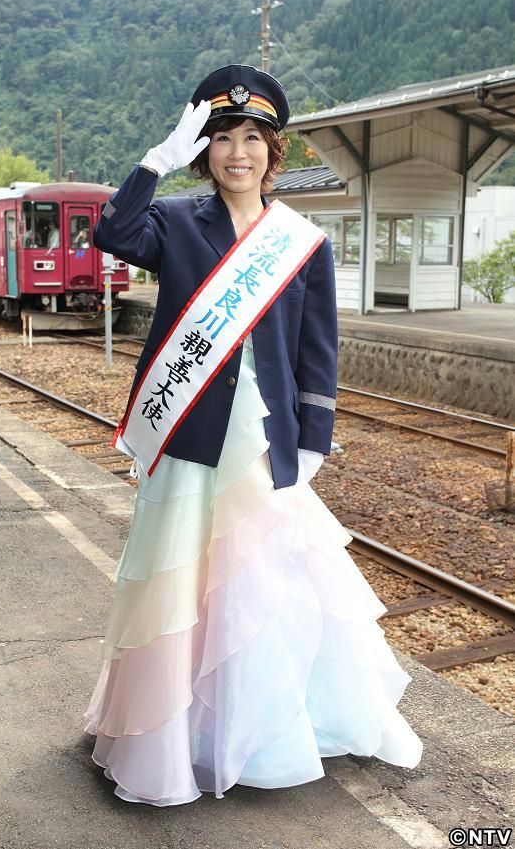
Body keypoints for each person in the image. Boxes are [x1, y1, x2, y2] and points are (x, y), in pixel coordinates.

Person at [85, 64, 423, 807]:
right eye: (222, 139)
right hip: (191, 437)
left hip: (264, 442)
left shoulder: (301, 242)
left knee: (265, 589)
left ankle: (263, 733)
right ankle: (174, 739)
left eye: (253, 139)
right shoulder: (174, 221)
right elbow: (112, 231)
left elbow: (315, 351)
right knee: (181, 584)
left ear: (277, 153)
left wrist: (313, 440)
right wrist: (154, 161)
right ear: (204, 152)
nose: (237, 153)